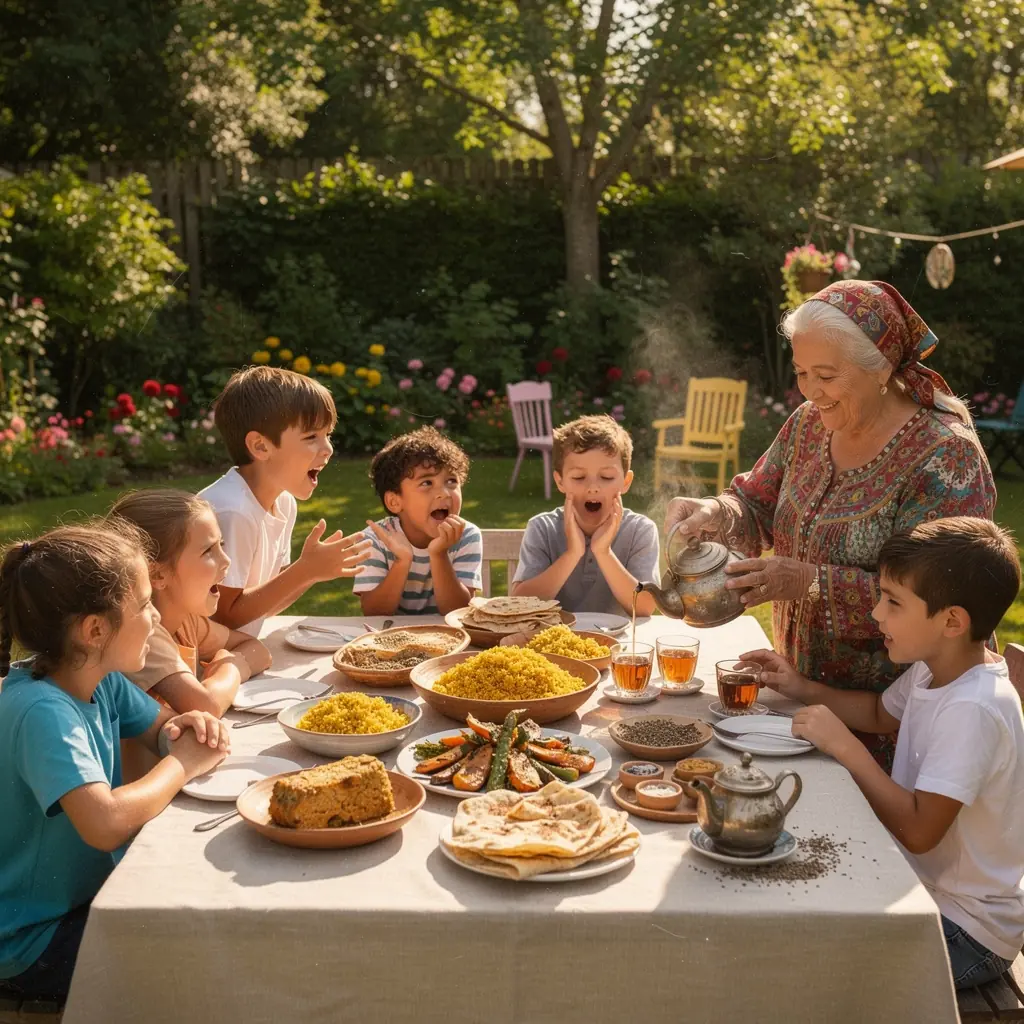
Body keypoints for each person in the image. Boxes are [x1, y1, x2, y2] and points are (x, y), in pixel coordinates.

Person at [664, 280, 995, 767]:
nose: (810, 390)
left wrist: (808, 582)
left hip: (897, 727)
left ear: (880, 368)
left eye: (826, 375)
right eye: (801, 372)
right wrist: (718, 511)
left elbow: (940, 599)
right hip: (804, 704)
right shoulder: (807, 424)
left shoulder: (945, 455)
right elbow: (755, 502)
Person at [744, 517, 1024, 990]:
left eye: (893, 603)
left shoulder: (974, 708)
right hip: (920, 889)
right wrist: (802, 687)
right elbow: (878, 712)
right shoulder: (934, 669)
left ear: (952, 621)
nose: (876, 614)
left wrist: (844, 748)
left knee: (810, 979)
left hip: (965, 929)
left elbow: (918, 831)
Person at [0, 525, 229, 1004]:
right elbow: (103, 823)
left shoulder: (100, 678)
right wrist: (183, 765)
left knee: (218, 913)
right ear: (95, 629)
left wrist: (189, 729)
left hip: (92, 898)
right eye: (145, 606)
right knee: (207, 963)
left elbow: (167, 735)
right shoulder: (42, 710)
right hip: (32, 938)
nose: (155, 619)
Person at [199, 366, 370, 636]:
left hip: (232, 647)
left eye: (328, 435)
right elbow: (223, 615)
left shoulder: (284, 501)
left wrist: (312, 572)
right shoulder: (233, 511)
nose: (328, 449)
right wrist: (305, 570)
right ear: (261, 446)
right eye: (311, 437)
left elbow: (265, 604)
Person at [110, 489, 272, 715]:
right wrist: (233, 667)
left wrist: (229, 662)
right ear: (157, 575)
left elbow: (259, 650)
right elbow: (207, 707)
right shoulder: (144, 635)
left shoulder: (186, 621)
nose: (226, 561)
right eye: (208, 551)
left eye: (221, 546)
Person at [513, 414, 659, 615]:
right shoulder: (542, 528)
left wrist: (603, 552)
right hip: (553, 643)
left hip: (619, 645)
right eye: (579, 477)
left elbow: (644, 607)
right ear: (560, 481)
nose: (593, 487)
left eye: (606, 477)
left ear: (626, 482)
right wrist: (573, 553)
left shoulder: (640, 530)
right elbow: (520, 604)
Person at [356, 427, 482, 615]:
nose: (444, 493)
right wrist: (402, 561)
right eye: (426, 483)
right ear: (395, 501)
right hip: (390, 638)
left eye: (451, 481)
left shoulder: (466, 536)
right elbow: (374, 614)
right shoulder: (376, 539)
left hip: (449, 638)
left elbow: (458, 612)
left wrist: (439, 554)